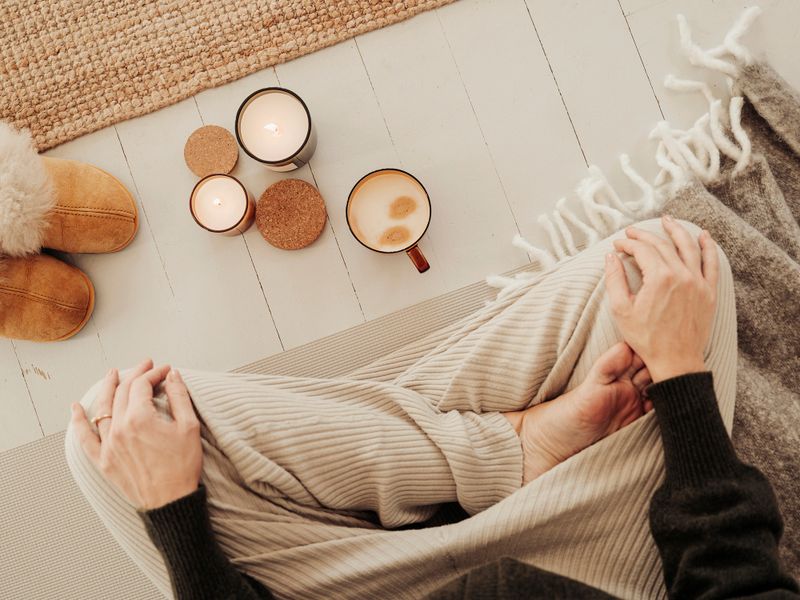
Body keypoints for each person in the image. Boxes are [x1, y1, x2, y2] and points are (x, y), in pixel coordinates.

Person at [67, 217, 799, 599]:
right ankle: (503, 453)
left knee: (119, 420)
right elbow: (735, 580)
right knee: (661, 261)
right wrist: (676, 369)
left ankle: (481, 456)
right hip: (611, 574)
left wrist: (173, 511)